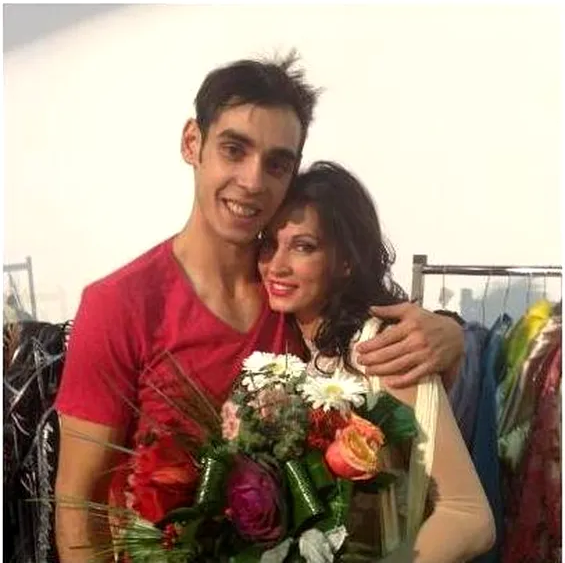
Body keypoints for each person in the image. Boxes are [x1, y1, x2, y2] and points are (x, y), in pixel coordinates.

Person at [54, 54, 464, 561]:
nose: (252, 181)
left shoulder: (294, 293)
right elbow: (76, 505)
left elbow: (375, 335)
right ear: (192, 143)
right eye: (234, 149)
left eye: (276, 164)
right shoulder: (120, 305)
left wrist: (451, 335)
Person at [257, 161, 496, 562]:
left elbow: (469, 516)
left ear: (346, 261)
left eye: (303, 246)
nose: (276, 265)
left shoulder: (382, 349)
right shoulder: (285, 342)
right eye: (269, 244)